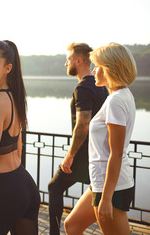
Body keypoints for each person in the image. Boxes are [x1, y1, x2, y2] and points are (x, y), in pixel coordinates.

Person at [64, 43, 137, 235]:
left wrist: (106, 198)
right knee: (72, 226)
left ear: (110, 69)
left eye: (98, 66)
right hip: (102, 182)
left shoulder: (115, 101)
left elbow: (117, 153)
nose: (94, 70)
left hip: (111, 187)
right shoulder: (121, 95)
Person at [0, 40, 40, 235]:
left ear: (7, 68)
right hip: (23, 183)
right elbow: (18, 147)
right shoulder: (14, 97)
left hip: (4, 189)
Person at [47, 43, 108, 234]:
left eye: (69, 59)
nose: (66, 63)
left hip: (83, 155)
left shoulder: (82, 88)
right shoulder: (101, 87)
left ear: (79, 61)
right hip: (99, 154)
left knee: (54, 187)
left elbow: (83, 124)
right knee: (97, 195)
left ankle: (54, 232)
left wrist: (70, 155)